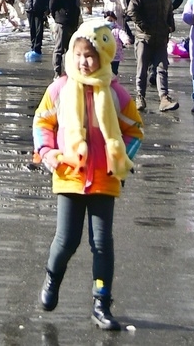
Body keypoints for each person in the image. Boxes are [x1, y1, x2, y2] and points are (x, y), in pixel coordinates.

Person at [33, 19, 143, 329]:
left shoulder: (116, 94)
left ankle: (101, 303)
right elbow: (43, 123)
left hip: (104, 179)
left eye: (91, 56)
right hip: (69, 174)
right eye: (79, 54)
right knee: (67, 240)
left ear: (104, 57)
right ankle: (52, 281)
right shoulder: (60, 89)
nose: (84, 61)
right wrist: (49, 153)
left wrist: (120, 159)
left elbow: (134, 130)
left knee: (102, 243)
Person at [130, 0, 179, 112]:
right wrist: (143, 26)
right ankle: (140, 97)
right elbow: (131, 10)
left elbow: (169, 13)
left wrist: (171, 26)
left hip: (161, 38)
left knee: (162, 68)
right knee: (142, 68)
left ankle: (164, 97)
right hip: (144, 38)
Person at [50, 0, 83, 73]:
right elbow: (52, 3)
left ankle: (70, 71)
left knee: (71, 49)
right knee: (59, 48)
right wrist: (57, 17)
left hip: (73, 22)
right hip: (62, 21)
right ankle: (57, 72)